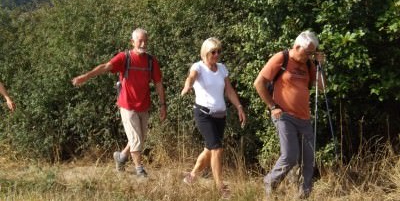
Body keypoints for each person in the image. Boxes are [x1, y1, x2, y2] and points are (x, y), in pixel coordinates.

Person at [72, 28, 167, 177]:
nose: (143, 43)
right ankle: (139, 170)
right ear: (132, 42)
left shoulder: (151, 61)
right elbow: (105, 67)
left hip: (144, 105)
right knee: (136, 139)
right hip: (127, 105)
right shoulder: (124, 57)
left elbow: (158, 83)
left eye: (145, 41)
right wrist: (86, 76)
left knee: (139, 138)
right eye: (140, 40)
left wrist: (163, 105)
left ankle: (121, 157)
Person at [253, 30, 325, 199]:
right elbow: (259, 83)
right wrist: (272, 106)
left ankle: (304, 194)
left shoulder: (309, 64)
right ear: (296, 46)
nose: (309, 56)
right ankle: (270, 181)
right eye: (307, 52)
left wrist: (321, 65)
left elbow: (321, 86)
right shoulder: (281, 58)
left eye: (311, 53)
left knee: (309, 159)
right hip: (284, 115)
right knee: (290, 155)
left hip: (304, 117)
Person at [180, 37, 246, 198]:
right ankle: (220, 187)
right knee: (217, 148)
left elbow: (229, 90)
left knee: (209, 149)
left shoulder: (222, 68)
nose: (217, 55)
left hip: (220, 116)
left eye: (219, 51)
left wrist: (239, 107)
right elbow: (191, 77)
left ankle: (192, 176)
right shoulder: (199, 67)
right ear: (205, 53)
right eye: (213, 52)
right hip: (204, 114)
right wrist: (187, 86)